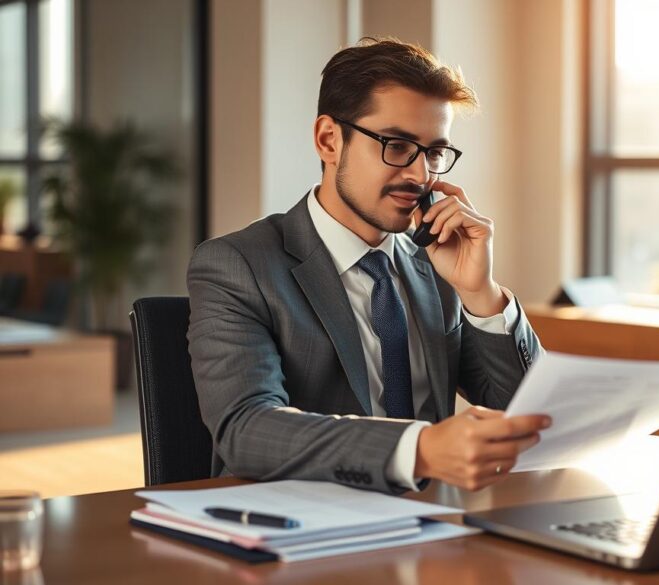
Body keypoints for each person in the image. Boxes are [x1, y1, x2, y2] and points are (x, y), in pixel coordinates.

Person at [186, 38, 548, 495]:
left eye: (434, 152)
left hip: (435, 525)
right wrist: (421, 449)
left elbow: (528, 416)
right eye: (397, 145)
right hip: (300, 530)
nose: (420, 176)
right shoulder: (238, 265)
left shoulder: (438, 262)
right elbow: (247, 429)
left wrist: (481, 294)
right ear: (328, 140)